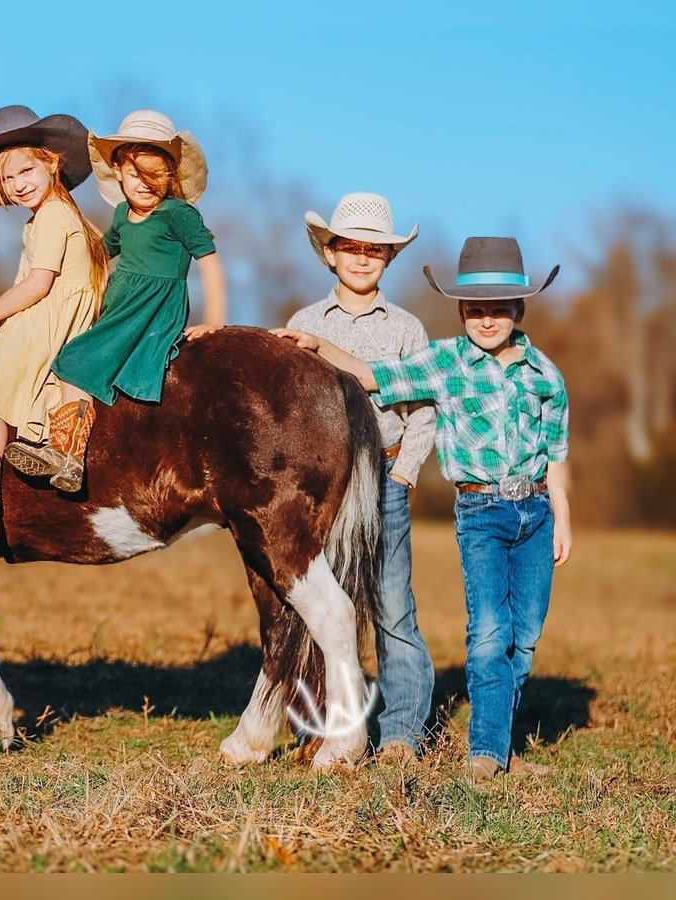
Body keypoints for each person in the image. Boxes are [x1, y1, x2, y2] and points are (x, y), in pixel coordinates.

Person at [274, 236, 572, 781]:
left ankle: (480, 739)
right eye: (475, 309)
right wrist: (316, 344)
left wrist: (564, 518)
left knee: (521, 636)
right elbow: (372, 375)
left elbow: (556, 451)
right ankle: (483, 754)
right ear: (461, 311)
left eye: (498, 309)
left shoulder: (543, 375)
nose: (486, 320)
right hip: (476, 510)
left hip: (532, 509)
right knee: (486, 631)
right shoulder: (444, 362)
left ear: (519, 310)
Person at [4, 110, 227, 492]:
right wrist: (65, 217)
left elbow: (209, 262)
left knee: (75, 359)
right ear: (118, 173)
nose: (143, 183)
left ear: (170, 176)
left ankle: (66, 455)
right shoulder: (122, 215)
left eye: (154, 175)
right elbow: (99, 252)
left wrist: (216, 320)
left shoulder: (179, 214)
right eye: (134, 174)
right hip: (117, 302)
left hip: (149, 309)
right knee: (66, 350)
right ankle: (54, 442)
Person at [287, 193, 435, 763]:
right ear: (330, 254)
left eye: (375, 249)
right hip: (323, 487)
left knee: (393, 607)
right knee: (318, 606)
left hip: (385, 479)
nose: (361, 257)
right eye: (350, 246)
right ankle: (319, 726)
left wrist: (403, 475)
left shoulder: (406, 328)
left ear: (389, 258)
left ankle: (400, 734)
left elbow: (423, 409)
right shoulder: (304, 324)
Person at [0, 105, 108, 540]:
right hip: (65, 321)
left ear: (51, 163)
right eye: (7, 180)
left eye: (25, 170)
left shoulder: (52, 215)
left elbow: (38, 284)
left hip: (45, 318)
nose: (17, 185)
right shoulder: (64, 215)